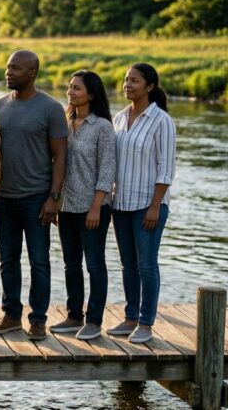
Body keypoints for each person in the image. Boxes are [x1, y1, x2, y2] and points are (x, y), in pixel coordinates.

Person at [0, 50, 68, 341]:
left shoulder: (50, 108)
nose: (9, 72)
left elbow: (60, 156)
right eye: (8, 67)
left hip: (37, 197)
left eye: (16, 68)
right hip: (4, 196)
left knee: (39, 261)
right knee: (7, 260)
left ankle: (37, 320)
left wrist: (53, 198)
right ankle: (11, 315)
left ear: (32, 72)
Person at [107, 63, 176, 344]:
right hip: (120, 204)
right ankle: (130, 317)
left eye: (134, 81)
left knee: (147, 265)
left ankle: (146, 324)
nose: (128, 85)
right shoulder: (120, 118)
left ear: (149, 86)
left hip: (148, 205)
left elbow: (166, 167)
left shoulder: (161, 120)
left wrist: (155, 206)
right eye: (125, 80)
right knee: (128, 265)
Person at [51, 70, 115, 341]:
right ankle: (74, 315)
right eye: (69, 87)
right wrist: (55, 201)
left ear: (91, 94)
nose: (71, 92)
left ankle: (94, 320)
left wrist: (96, 206)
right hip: (66, 206)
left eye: (77, 88)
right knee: (70, 264)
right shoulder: (64, 124)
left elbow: (107, 169)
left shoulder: (102, 126)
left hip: (93, 206)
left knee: (95, 264)